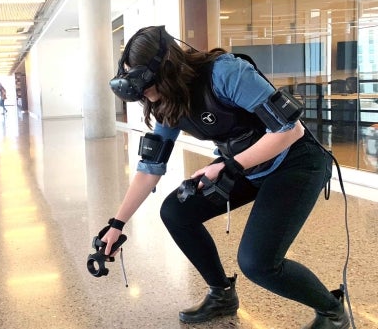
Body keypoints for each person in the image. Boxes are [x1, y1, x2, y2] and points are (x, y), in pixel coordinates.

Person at [103, 25, 349, 329]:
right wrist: (116, 225)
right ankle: (221, 294)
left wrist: (229, 166)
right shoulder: (168, 101)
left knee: (258, 263)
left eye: (151, 88)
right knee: (176, 211)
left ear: (166, 69)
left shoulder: (225, 73)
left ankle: (332, 311)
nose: (149, 99)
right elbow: (148, 170)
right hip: (248, 165)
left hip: (296, 162)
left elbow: (290, 130)